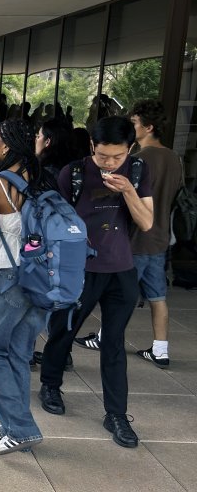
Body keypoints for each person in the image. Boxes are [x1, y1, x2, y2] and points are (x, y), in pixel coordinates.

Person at [38, 116, 153, 449]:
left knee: (114, 343)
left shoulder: (137, 171)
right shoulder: (72, 173)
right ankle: (50, 383)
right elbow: (52, 222)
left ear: (130, 149)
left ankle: (116, 414)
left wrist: (128, 189)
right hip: (80, 268)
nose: (109, 162)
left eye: (117, 156)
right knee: (65, 329)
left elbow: (146, 222)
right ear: (92, 146)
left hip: (121, 269)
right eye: (103, 156)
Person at [0, 120, 47, 454]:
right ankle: (12, 423)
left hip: (7, 276)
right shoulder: (43, 178)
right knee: (17, 352)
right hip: (41, 277)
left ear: (9, 146)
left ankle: (20, 427)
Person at [129, 100, 180, 367]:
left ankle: (106, 337)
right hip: (160, 237)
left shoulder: (138, 160)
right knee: (158, 297)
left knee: (122, 294)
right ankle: (161, 349)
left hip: (136, 238)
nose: (131, 127)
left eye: (135, 122)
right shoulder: (174, 158)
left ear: (148, 127)